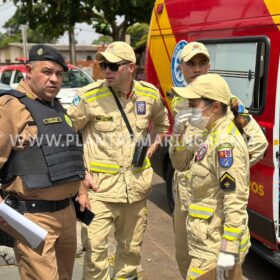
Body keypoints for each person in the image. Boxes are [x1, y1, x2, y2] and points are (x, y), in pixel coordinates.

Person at [67, 41, 170, 280]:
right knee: (95, 253)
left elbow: (162, 124)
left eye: (113, 65)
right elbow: (66, 134)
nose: (107, 70)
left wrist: (151, 148)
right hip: (99, 192)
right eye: (103, 65)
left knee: (131, 253)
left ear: (131, 67)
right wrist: (81, 175)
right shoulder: (89, 96)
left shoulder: (149, 94)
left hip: (136, 190)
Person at [169, 42, 268, 279]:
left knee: (210, 269)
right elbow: (179, 161)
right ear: (180, 67)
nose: (197, 69)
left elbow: (258, 144)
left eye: (202, 63)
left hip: (214, 203)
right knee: (185, 260)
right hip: (186, 199)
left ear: (209, 65)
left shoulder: (227, 102)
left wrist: (225, 171)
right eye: (191, 64)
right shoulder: (181, 102)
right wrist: (179, 136)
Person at [0, 44, 92, 280]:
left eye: (59, 74)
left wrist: (82, 189)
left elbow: (70, 152)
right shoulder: (11, 106)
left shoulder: (56, 105)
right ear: (28, 72)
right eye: (47, 72)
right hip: (33, 218)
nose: (54, 79)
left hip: (67, 213)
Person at [173, 73, 251, 279]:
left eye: (193, 103)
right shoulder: (212, 133)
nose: (188, 108)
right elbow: (180, 165)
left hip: (215, 247)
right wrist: (178, 132)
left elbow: (235, 200)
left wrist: (228, 250)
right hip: (205, 240)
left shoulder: (225, 143)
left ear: (215, 107)